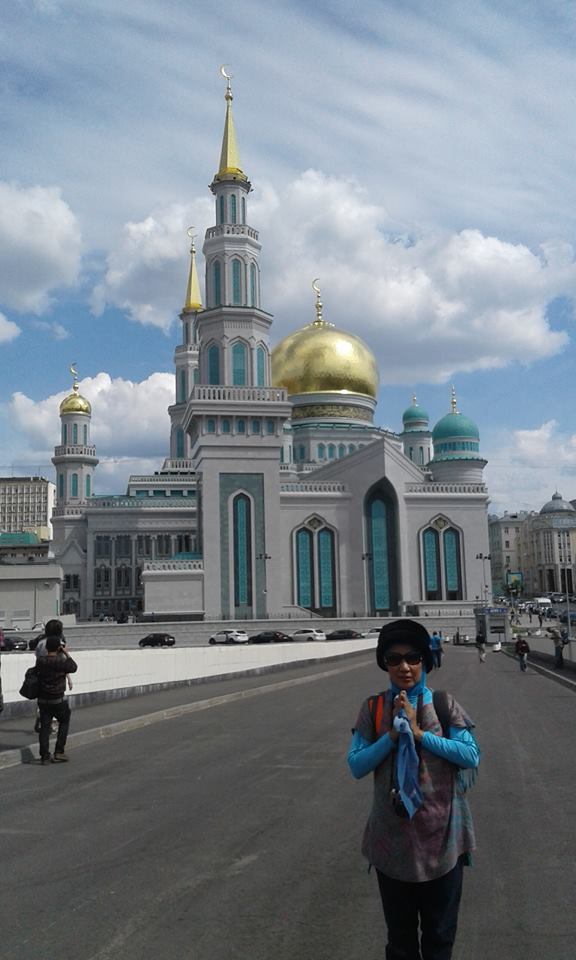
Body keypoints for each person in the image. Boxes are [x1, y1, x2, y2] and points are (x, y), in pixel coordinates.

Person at [348, 619, 479, 960]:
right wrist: (392, 735)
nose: (404, 667)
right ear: (385, 664)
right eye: (394, 659)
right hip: (392, 846)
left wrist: (420, 734)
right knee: (400, 942)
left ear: (426, 661)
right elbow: (356, 765)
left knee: (439, 938)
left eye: (413, 657)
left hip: (443, 843)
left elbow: (470, 755)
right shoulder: (374, 708)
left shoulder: (443, 705)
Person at [36, 619, 78, 765]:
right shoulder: (61, 662)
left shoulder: (40, 661)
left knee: (45, 727)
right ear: (59, 647)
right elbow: (73, 666)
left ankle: (44, 756)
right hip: (58, 699)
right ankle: (59, 751)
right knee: (64, 720)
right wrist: (66, 653)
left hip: (43, 698)